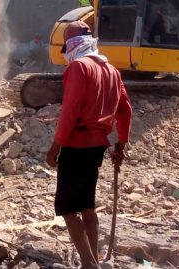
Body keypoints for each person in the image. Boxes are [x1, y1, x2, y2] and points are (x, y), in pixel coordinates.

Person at [47, 21, 133, 269]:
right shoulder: (112, 71)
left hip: (77, 144)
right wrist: (121, 143)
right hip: (97, 147)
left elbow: (70, 111)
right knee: (86, 205)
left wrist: (55, 147)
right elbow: (125, 111)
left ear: (71, 45)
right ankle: (92, 259)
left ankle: (88, 263)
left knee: (66, 207)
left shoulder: (78, 68)